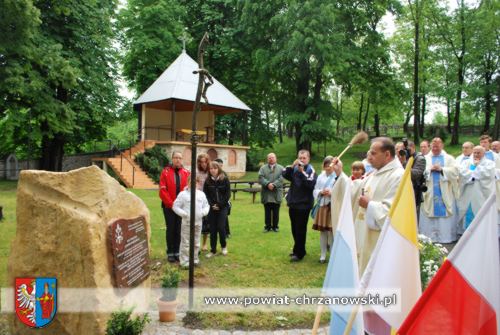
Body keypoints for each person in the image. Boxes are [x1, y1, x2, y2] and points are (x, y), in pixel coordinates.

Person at [349, 137, 404, 273]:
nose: (369, 157)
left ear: (387, 155)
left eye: (373, 153)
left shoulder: (398, 176)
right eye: (369, 152)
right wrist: (339, 174)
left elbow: (393, 212)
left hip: (380, 241)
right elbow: (357, 187)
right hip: (364, 235)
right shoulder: (375, 173)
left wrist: (370, 205)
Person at [419, 137, 459, 244]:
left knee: (444, 215)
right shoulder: (424, 158)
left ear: (442, 145)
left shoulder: (449, 158)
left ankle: (445, 237)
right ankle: (428, 237)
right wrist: (429, 170)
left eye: (438, 146)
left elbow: (455, 171)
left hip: (445, 191)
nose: (435, 148)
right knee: (429, 212)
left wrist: (442, 169)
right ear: (430, 146)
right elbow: (420, 172)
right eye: (433, 146)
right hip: (430, 191)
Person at [282, 149, 317, 262]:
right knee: (294, 228)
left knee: (300, 229)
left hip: (304, 204)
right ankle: (299, 248)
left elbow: (310, 184)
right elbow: (285, 175)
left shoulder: (310, 170)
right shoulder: (295, 168)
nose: (301, 160)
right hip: (293, 203)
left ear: (308, 158)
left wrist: (302, 172)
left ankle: (299, 253)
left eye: (304, 158)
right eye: (300, 158)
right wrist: (292, 166)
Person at [172, 176, 210, 268]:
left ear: (198, 183)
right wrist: (184, 214)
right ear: (187, 182)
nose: (193, 184)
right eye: (191, 182)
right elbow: (175, 206)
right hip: (187, 222)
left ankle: (195, 259)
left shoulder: (201, 194)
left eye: (195, 182)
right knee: (185, 242)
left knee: (196, 242)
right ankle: (184, 261)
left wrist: (203, 212)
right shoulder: (183, 194)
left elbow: (206, 205)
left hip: (198, 222)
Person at [160, 151, 190, 262]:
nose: (178, 160)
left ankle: (178, 251)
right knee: (171, 229)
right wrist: (172, 205)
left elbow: (189, 190)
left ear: (182, 160)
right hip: (169, 207)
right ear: (172, 159)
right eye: (175, 157)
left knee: (179, 229)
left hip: (182, 208)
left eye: (180, 158)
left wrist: (181, 205)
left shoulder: (186, 173)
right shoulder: (165, 172)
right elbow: (163, 190)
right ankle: (170, 252)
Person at [457, 146, 495, 232]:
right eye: (475, 152)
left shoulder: (489, 163)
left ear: (483, 153)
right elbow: (462, 173)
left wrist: (477, 167)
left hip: (481, 196)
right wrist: (475, 174)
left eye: (479, 153)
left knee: (481, 215)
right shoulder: (466, 162)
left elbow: (488, 175)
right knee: (468, 214)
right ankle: (467, 237)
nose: (476, 155)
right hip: (468, 194)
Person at [312, 156, 337, 263]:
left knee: (331, 232)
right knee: (323, 232)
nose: (328, 168)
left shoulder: (337, 176)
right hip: (322, 206)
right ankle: (322, 255)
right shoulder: (321, 176)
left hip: (332, 206)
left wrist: (331, 193)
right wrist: (320, 192)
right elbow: (315, 189)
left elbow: (341, 191)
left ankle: (332, 254)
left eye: (330, 165)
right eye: (326, 166)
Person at [204, 161, 231, 258]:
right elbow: (206, 195)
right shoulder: (207, 181)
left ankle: (224, 246)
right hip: (212, 207)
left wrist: (219, 205)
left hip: (223, 207)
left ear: (218, 169)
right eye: (211, 168)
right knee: (213, 229)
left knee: (221, 227)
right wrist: (212, 205)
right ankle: (213, 250)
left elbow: (227, 194)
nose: (213, 170)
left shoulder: (225, 179)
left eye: (215, 168)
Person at [258, 153, 284, 232]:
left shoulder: (281, 168)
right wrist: (267, 184)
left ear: (276, 158)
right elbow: (260, 178)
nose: (271, 159)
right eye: (269, 158)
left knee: (276, 211)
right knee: (267, 211)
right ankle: (267, 227)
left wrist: (274, 184)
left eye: (272, 157)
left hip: (277, 193)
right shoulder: (263, 168)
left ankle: (275, 226)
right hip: (267, 193)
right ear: (267, 159)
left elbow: (282, 178)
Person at [197, 153, 211, 251]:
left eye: (205, 162)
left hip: (207, 200)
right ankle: (196, 242)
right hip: (197, 199)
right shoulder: (196, 172)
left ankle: (205, 243)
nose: (204, 164)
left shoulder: (210, 172)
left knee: (206, 223)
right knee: (197, 222)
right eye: (201, 162)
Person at [214, 158, 231, 238]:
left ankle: (227, 232)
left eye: (221, 166)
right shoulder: (211, 174)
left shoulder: (224, 174)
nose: (220, 167)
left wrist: (224, 200)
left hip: (223, 200)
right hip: (214, 200)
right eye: (218, 166)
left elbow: (227, 190)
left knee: (225, 217)